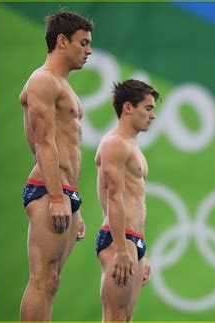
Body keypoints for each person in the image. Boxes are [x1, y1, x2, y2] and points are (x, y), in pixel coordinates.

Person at [19, 10, 93, 321]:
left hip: (63, 189)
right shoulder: (43, 81)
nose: (89, 51)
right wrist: (58, 198)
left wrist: (73, 202)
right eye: (84, 43)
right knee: (41, 279)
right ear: (61, 41)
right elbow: (43, 144)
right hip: (50, 191)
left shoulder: (63, 85)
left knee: (53, 282)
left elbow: (57, 145)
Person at [95, 79, 159, 321]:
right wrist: (121, 248)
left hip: (134, 240)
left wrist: (143, 251)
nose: (152, 115)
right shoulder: (114, 143)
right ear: (128, 108)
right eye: (148, 108)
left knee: (124, 319)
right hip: (118, 239)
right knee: (114, 317)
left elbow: (136, 201)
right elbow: (113, 197)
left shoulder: (132, 145)